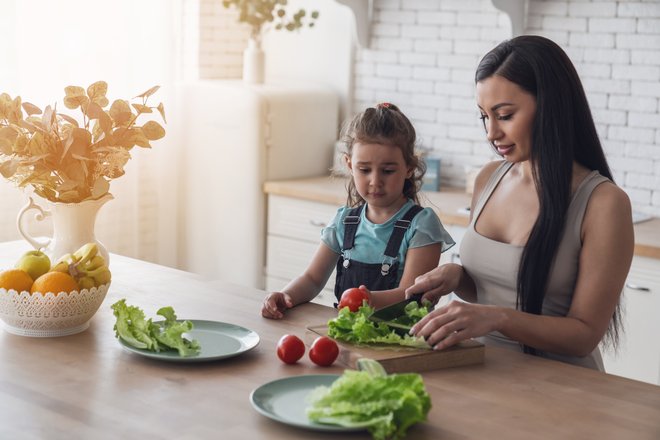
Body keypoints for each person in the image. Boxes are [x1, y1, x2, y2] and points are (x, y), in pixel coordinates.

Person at [406, 35, 634, 371]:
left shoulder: (603, 203)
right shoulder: (488, 179)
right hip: (479, 368)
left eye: (505, 115)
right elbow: (496, 293)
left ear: (551, 106)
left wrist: (497, 318)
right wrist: (457, 277)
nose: (491, 132)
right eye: (484, 116)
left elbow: (584, 334)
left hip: (561, 384)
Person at [261, 103, 455, 319]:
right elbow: (312, 279)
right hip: (349, 335)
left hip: (401, 341)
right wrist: (285, 296)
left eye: (388, 171)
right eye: (364, 170)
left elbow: (412, 295)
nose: (375, 181)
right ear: (349, 165)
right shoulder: (344, 221)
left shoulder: (421, 225)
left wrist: (366, 301)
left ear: (409, 168)